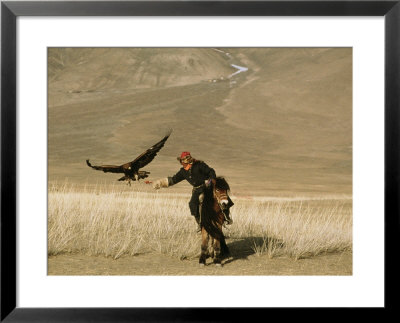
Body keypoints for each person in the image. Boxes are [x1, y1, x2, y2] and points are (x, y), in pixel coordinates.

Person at [152, 152, 233, 232]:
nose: (183, 162)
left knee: (223, 199)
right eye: (182, 160)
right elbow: (174, 179)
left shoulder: (199, 165)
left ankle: (226, 217)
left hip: (207, 187)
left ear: (189, 159)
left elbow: (211, 171)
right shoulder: (183, 171)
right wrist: (160, 183)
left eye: (184, 159)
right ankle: (200, 223)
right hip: (197, 190)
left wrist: (210, 181)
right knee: (192, 204)